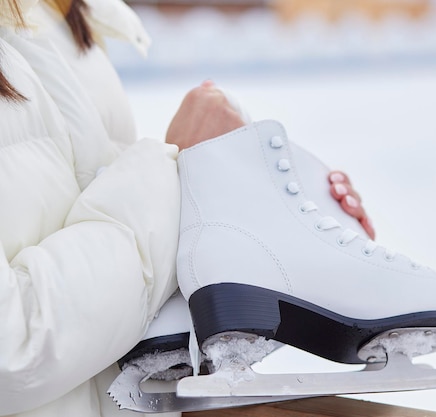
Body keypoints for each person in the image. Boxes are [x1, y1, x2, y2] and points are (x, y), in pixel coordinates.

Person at [0, 0, 373, 416]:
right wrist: (177, 172)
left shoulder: (58, 13)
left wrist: (260, 208)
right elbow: (11, 353)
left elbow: (116, 289)